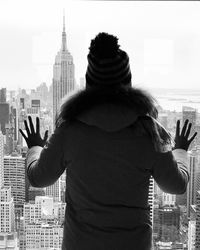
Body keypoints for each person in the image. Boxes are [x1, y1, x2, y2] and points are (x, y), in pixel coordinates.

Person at [20, 32, 197, 250]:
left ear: (88, 82)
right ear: (129, 82)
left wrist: (35, 147)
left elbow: (39, 178)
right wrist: (180, 151)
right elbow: (176, 185)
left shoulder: (70, 130)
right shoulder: (149, 131)